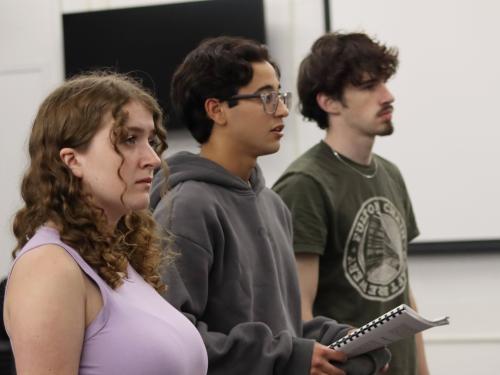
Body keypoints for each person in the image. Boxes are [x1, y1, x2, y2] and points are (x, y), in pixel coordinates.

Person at [150, 36, 390, 375]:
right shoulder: (187, 207)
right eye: (265, 97)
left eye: (280, 96)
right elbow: (172, 339)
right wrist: (289, 357)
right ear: (216, 109)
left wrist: (339, 338)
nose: (280, 109)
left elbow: (282, 328)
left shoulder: (273, 204)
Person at [2, 72, 208, 375]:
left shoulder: (115, 257)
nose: (152, 158)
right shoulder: (49, 268)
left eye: (150, 140)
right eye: (128, 139)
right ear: (72, 160)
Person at [273, 32, 429, 375]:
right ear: (329, 101)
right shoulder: (306, 183)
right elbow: (297, 312)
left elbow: (402, 291)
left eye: (384, 83)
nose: (387, 96)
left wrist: (422, 369)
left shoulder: (390, 173)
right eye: (369, 86)